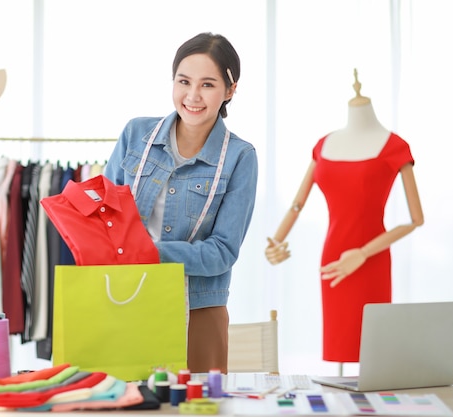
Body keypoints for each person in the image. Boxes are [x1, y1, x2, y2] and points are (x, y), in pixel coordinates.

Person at [104, 32, 258, 373]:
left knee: (198, 406)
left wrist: (149, 252)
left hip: (199, 310)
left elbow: (222, 252)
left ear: (230, 91)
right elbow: (103, 217)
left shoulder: (239, 157)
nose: (192, 96)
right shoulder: (135, 135)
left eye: (207, 84)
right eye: (183, 81)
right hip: (125, 297)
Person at [265, 70, 424, 367]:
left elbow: (416, 219)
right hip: (334, 256)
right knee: (339, 344)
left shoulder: (395, 147)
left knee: (371, 348)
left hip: (372, 257)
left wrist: (363, 253)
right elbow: (297, 204)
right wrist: (276, 240)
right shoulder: (323, 146)